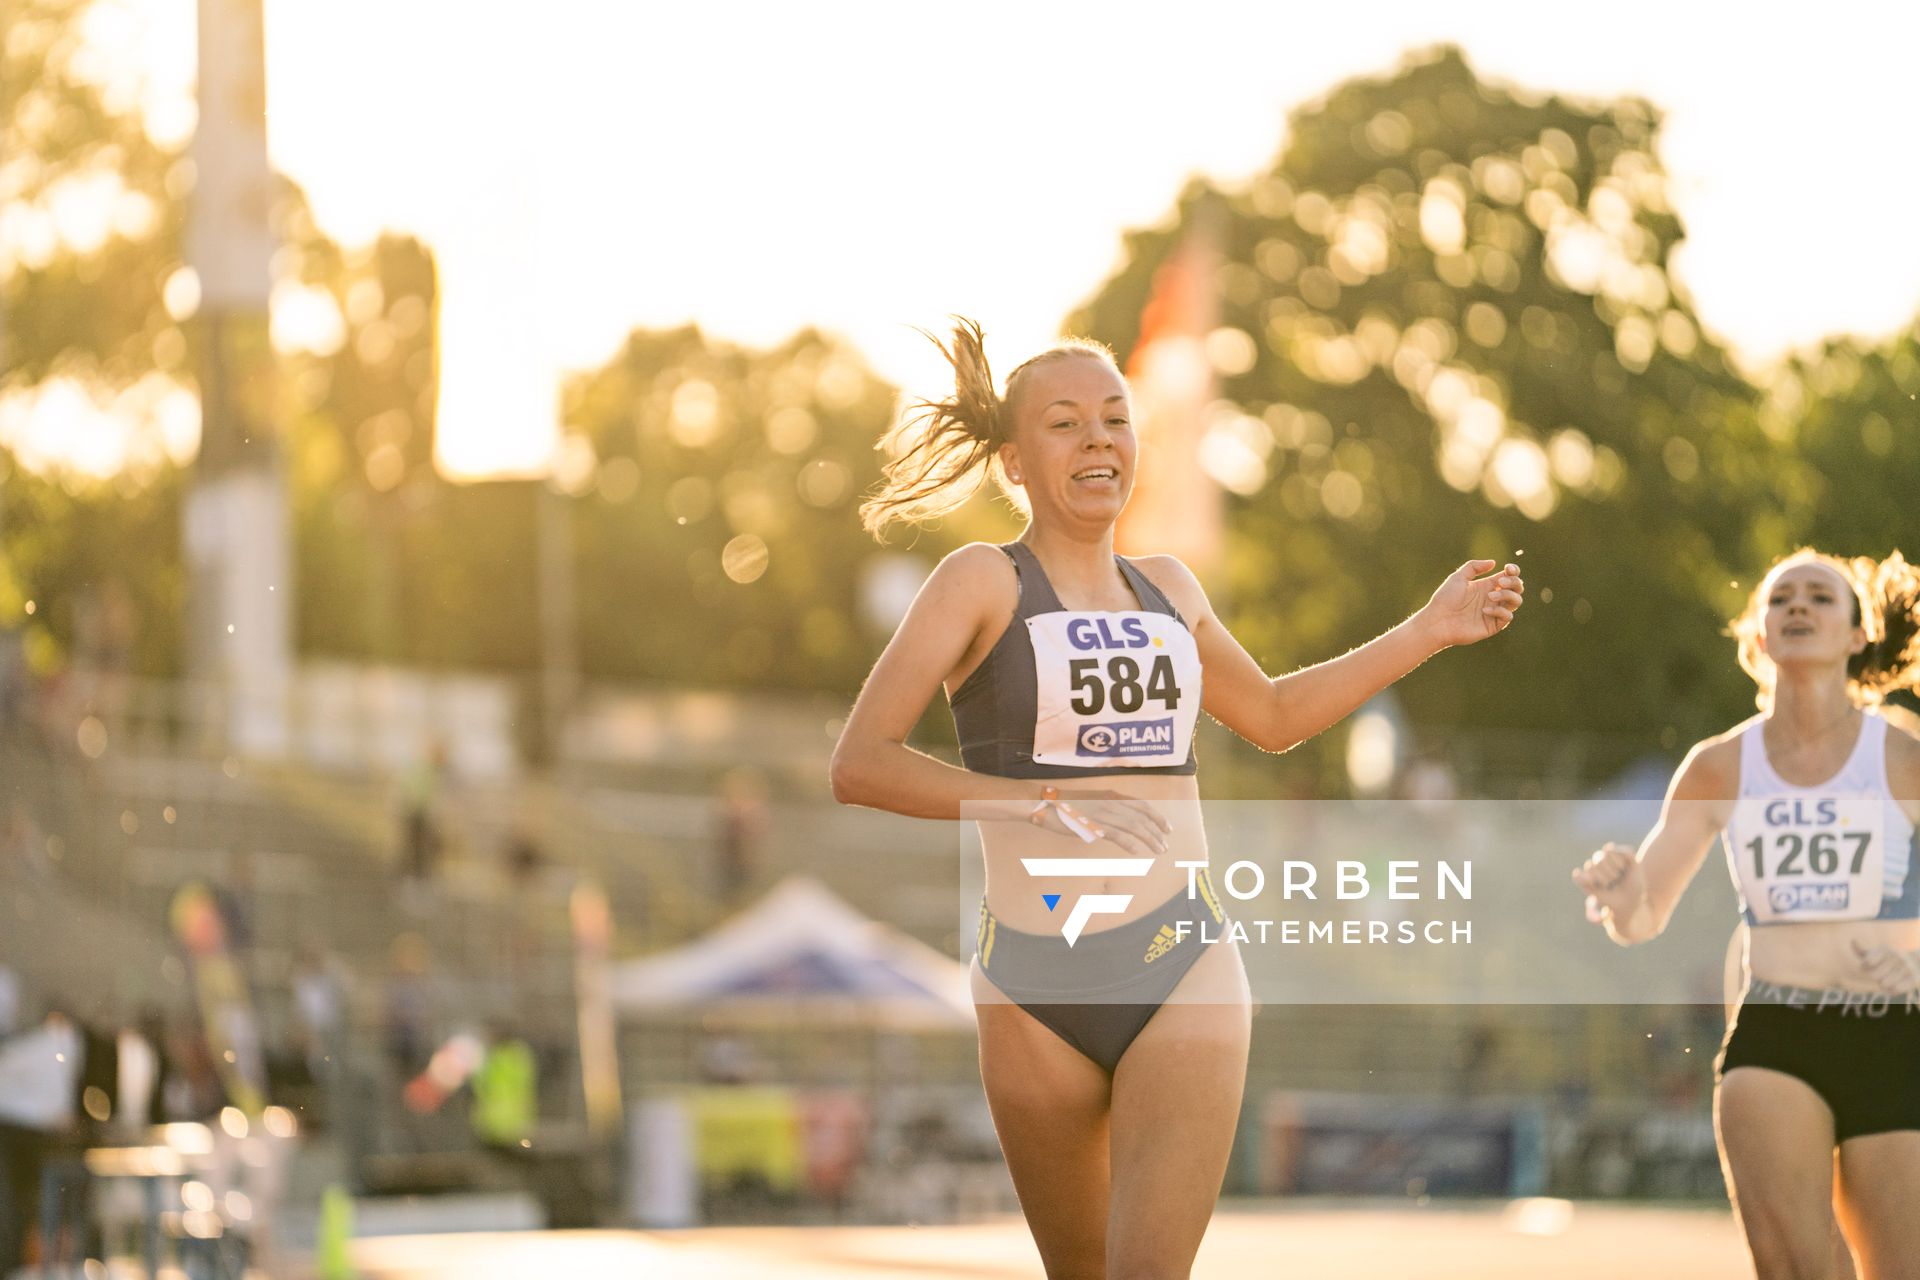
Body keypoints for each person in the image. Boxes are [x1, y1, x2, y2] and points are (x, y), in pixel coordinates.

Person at [831, 319, 1524, 1278]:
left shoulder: (1169, 590)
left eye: (1115, 420)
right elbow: (859, 764)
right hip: (1031, 984)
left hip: (1177, 960)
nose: (1099, 441)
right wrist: (1029, 806)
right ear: (1013, 461)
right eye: (1065, 424)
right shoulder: (980, 581)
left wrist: (1427, 630)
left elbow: (1276, 715)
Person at [1573, 548, 1920, 1280]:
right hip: (1776, 1034)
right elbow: (1643, 916)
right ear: (1759, 636)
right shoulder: (1720, 766)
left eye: (1821, 598)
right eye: (1781, 598)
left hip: (1896, 1031)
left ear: (1857, 636)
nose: (1798, 606)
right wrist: (1620, 890)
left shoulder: (1901, 758)